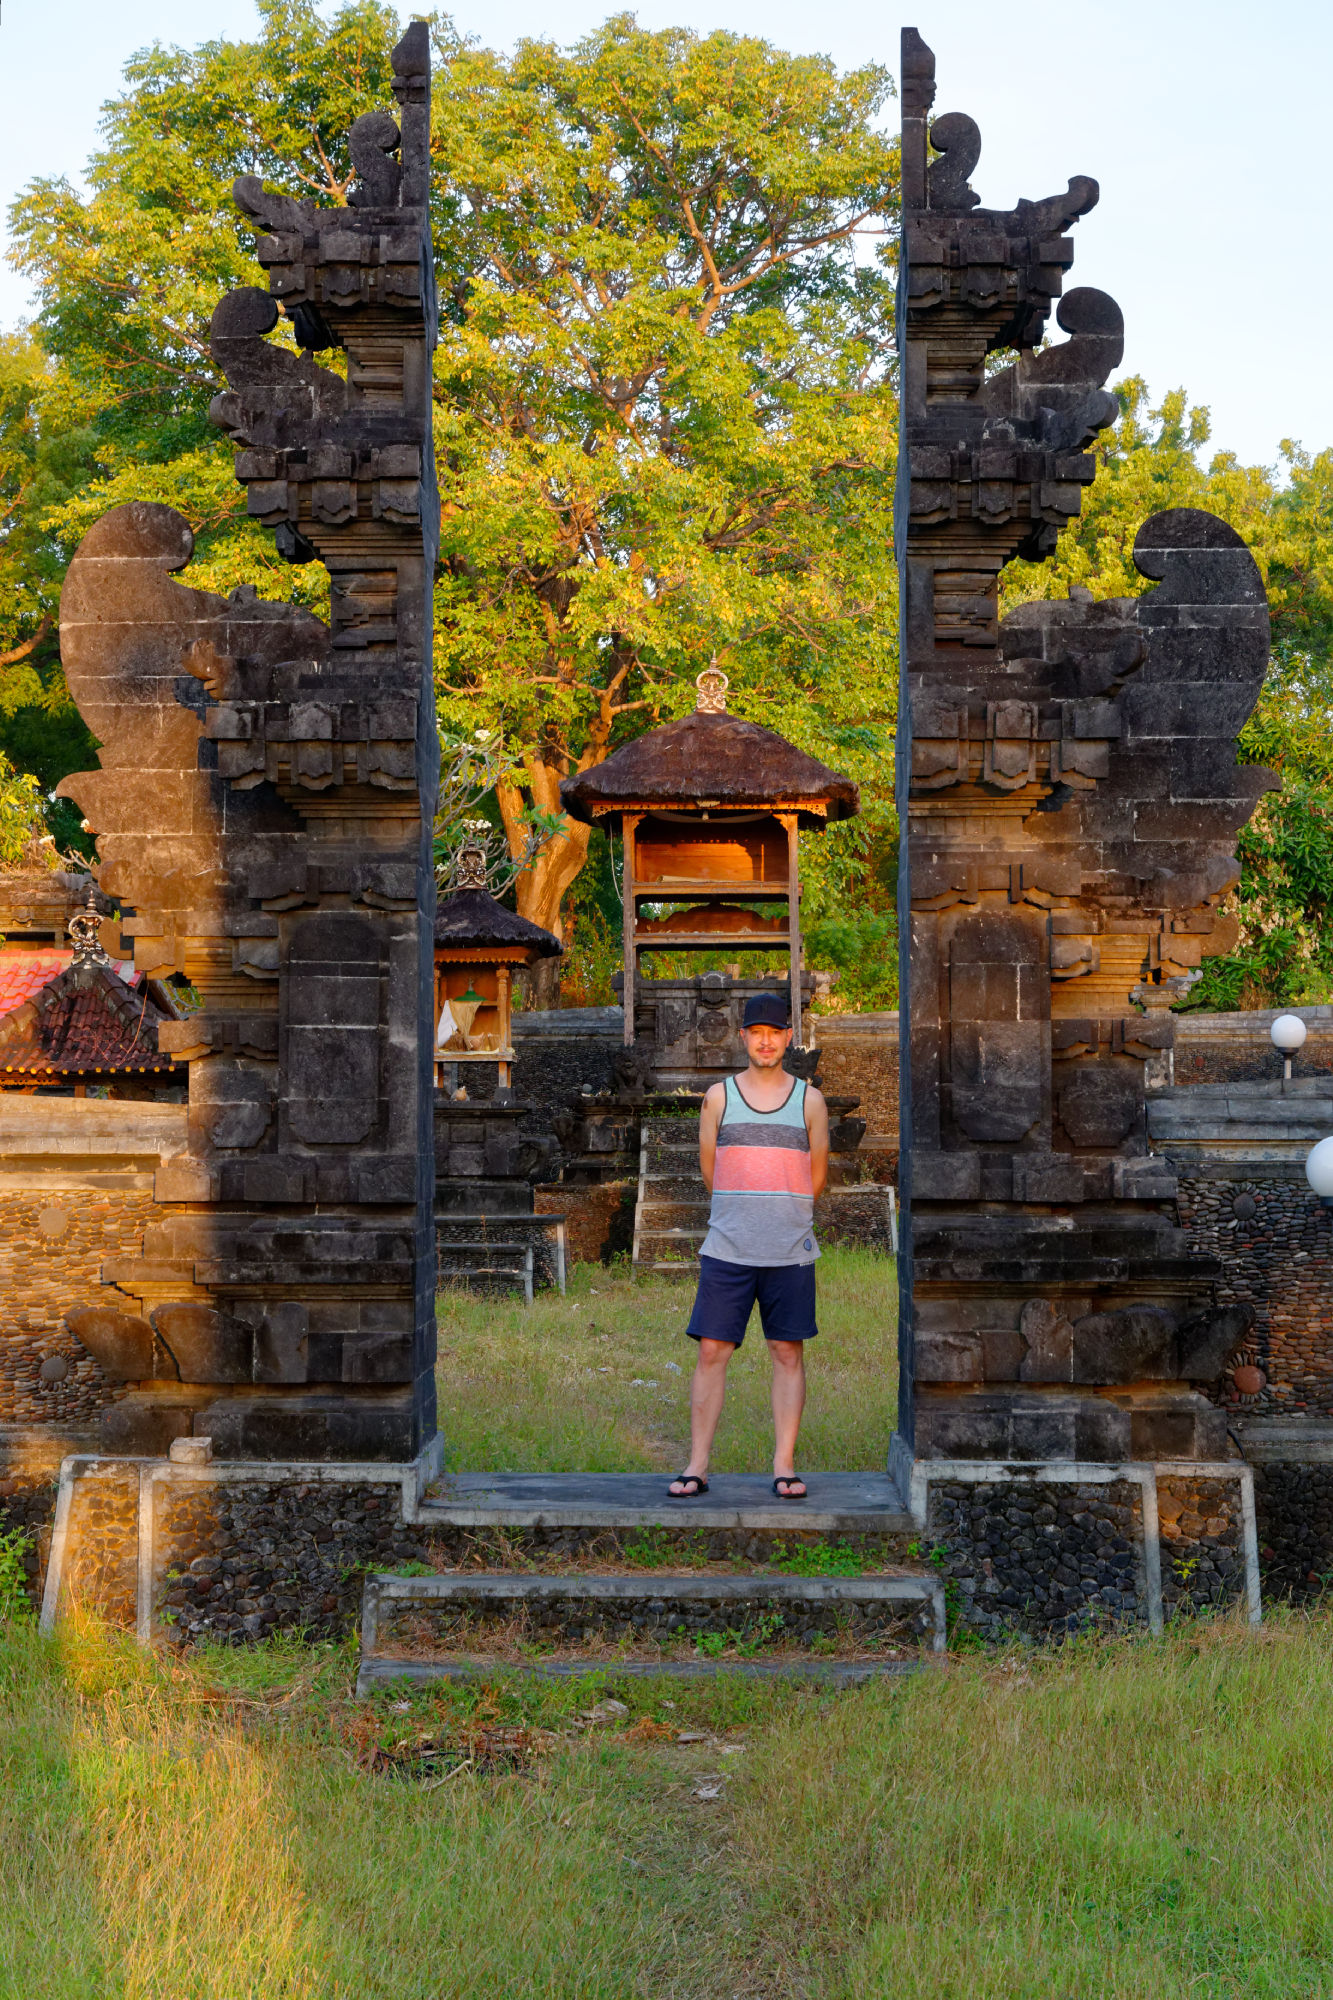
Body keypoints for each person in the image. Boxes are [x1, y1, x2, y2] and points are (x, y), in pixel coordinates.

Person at [668, 991, 829, 1501]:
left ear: (788, 1037)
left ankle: (784, 1465)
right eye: (756, 1032)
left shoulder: (809, 1101)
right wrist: (743, 1211)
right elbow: (710, 1171)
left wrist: (782, 1214)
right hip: (728, 1249)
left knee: (786, 1351)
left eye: (774, 1033)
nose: (765, 1041)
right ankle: (697, 1465)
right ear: (743, 1037)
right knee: (712, 1350)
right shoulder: (718, 1097)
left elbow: (816, 1176)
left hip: (789, 1250)